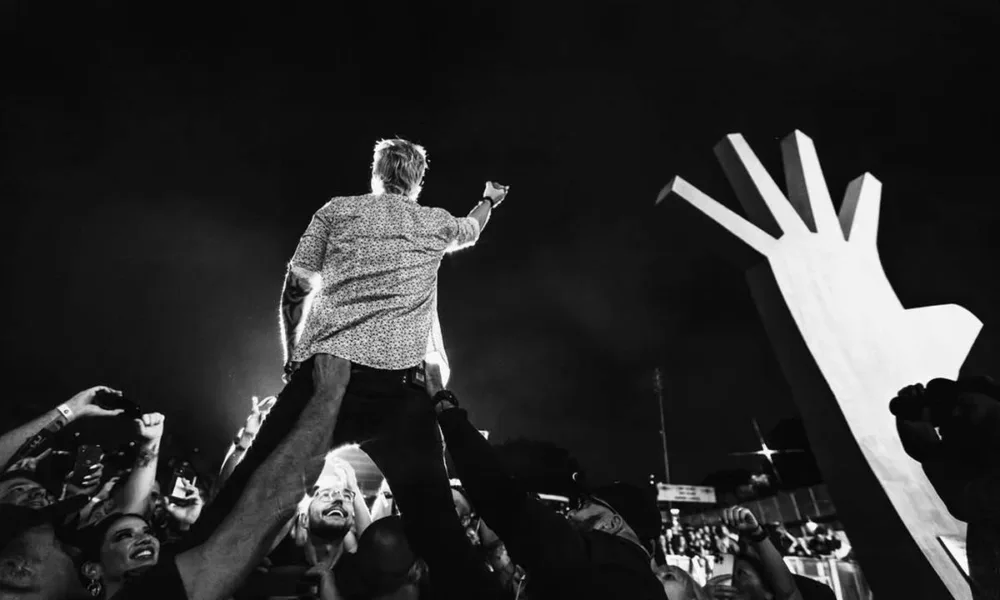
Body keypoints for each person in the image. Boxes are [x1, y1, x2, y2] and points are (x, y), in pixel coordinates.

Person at [193, 138, 509, 600]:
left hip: (326, 375)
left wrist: (293, 355)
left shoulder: (337, 211)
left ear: (376, 173)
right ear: (419, 181)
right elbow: (473, 227)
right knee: (439, 531)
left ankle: (169, 584)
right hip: (400, 390)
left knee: (246, 489)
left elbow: (297, 287)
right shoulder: (434, 222)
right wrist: (489, 199)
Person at [427, 362, 667, 600]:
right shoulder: (648, 587)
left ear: (611, 523)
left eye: (584, 506)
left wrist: (444, 404)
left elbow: (500, 497)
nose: (570, 514)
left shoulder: (598, 561)